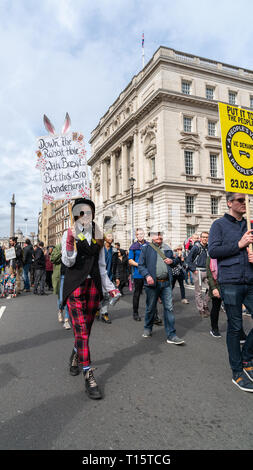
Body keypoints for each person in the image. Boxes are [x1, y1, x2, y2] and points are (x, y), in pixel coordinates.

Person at [62, 198, 120, 400]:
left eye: (88, 211)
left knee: (85, 331)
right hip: (76, 286)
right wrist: (70, 242)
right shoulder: (69, 233)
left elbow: (102, 266)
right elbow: (67, 261)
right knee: (83, 333)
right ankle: (89, 375)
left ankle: (75, 354)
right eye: (80, 212)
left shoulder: (98, 235)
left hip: (93, 286)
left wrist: (111, 288)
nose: (85, 215)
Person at [209, 192, 253, 392]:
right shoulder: (219, 225)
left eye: (247, 201)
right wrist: (239, 245)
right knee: (235, 327)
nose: (245, 204)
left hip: (250, 279)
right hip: (231, 282)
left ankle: (246, 357)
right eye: (241, 201)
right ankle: (237, 372)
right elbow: (214, 251)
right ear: (230, 203)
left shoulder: (249, 225)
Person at [138, 229, 185, 345]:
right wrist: (147, 275)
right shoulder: (146, 248)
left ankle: (171, 335)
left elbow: (175, 262)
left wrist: (172, 261)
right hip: (152, 284)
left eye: (160, 236)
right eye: (157, 236)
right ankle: (148, 327)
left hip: (166, 283)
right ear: (152, 238)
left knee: (169, 308)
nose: (159, 238)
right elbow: (141, 266)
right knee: (150, 307)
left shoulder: (167, 248)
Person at [186, 232, 209, 318]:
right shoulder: (196, 247)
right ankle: (201, 309)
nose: (205, 239)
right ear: (200, 238)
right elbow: (188, 259)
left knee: (211, 289)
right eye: (203, 237)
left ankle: (205, 305)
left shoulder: (208, 247)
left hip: (207, 271)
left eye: (206, 237)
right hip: (198, 271)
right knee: (198, 292)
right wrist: (193, 269)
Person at [97, 232, 118, 324]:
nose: (111, 238)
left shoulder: (114, 250)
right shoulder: (100, 248)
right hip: (99, 275)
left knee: (106, 296)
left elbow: (116, 265)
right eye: (109, 236)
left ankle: (104, 313)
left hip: (109, 276)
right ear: (105, 238)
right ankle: (97, 310)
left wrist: (117, 277)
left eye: (112, 237)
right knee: (98, 295)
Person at [128, 228, 149, 321]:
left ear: (144, 234)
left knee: (151, 294)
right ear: (136, 236)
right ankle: (135, 313)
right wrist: (139, 265)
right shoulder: (133, 246)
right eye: (138, 234)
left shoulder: (149, 245)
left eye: (141, 234)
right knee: (137, 293)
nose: (140, 235)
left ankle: (153, 314)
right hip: (138, 273)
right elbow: (130, 261)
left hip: (148, 273)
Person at [51, 244, 71, 330]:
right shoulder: (58, 247)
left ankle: (67, 320)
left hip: (70, 276)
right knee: (61, 299)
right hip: (61, 276)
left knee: (68, 298)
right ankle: (60, 311)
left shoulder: (73, 246)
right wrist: (61, 253)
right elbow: (53, 259)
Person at [206, 256, 222, 338]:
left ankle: (237, 331)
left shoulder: (225, 254)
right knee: (216, 307)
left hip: (227, 284)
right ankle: (214, 328)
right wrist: (214, 288)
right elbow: (209, 275)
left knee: (232, 309)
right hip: (216, 285)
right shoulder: (210, 258)